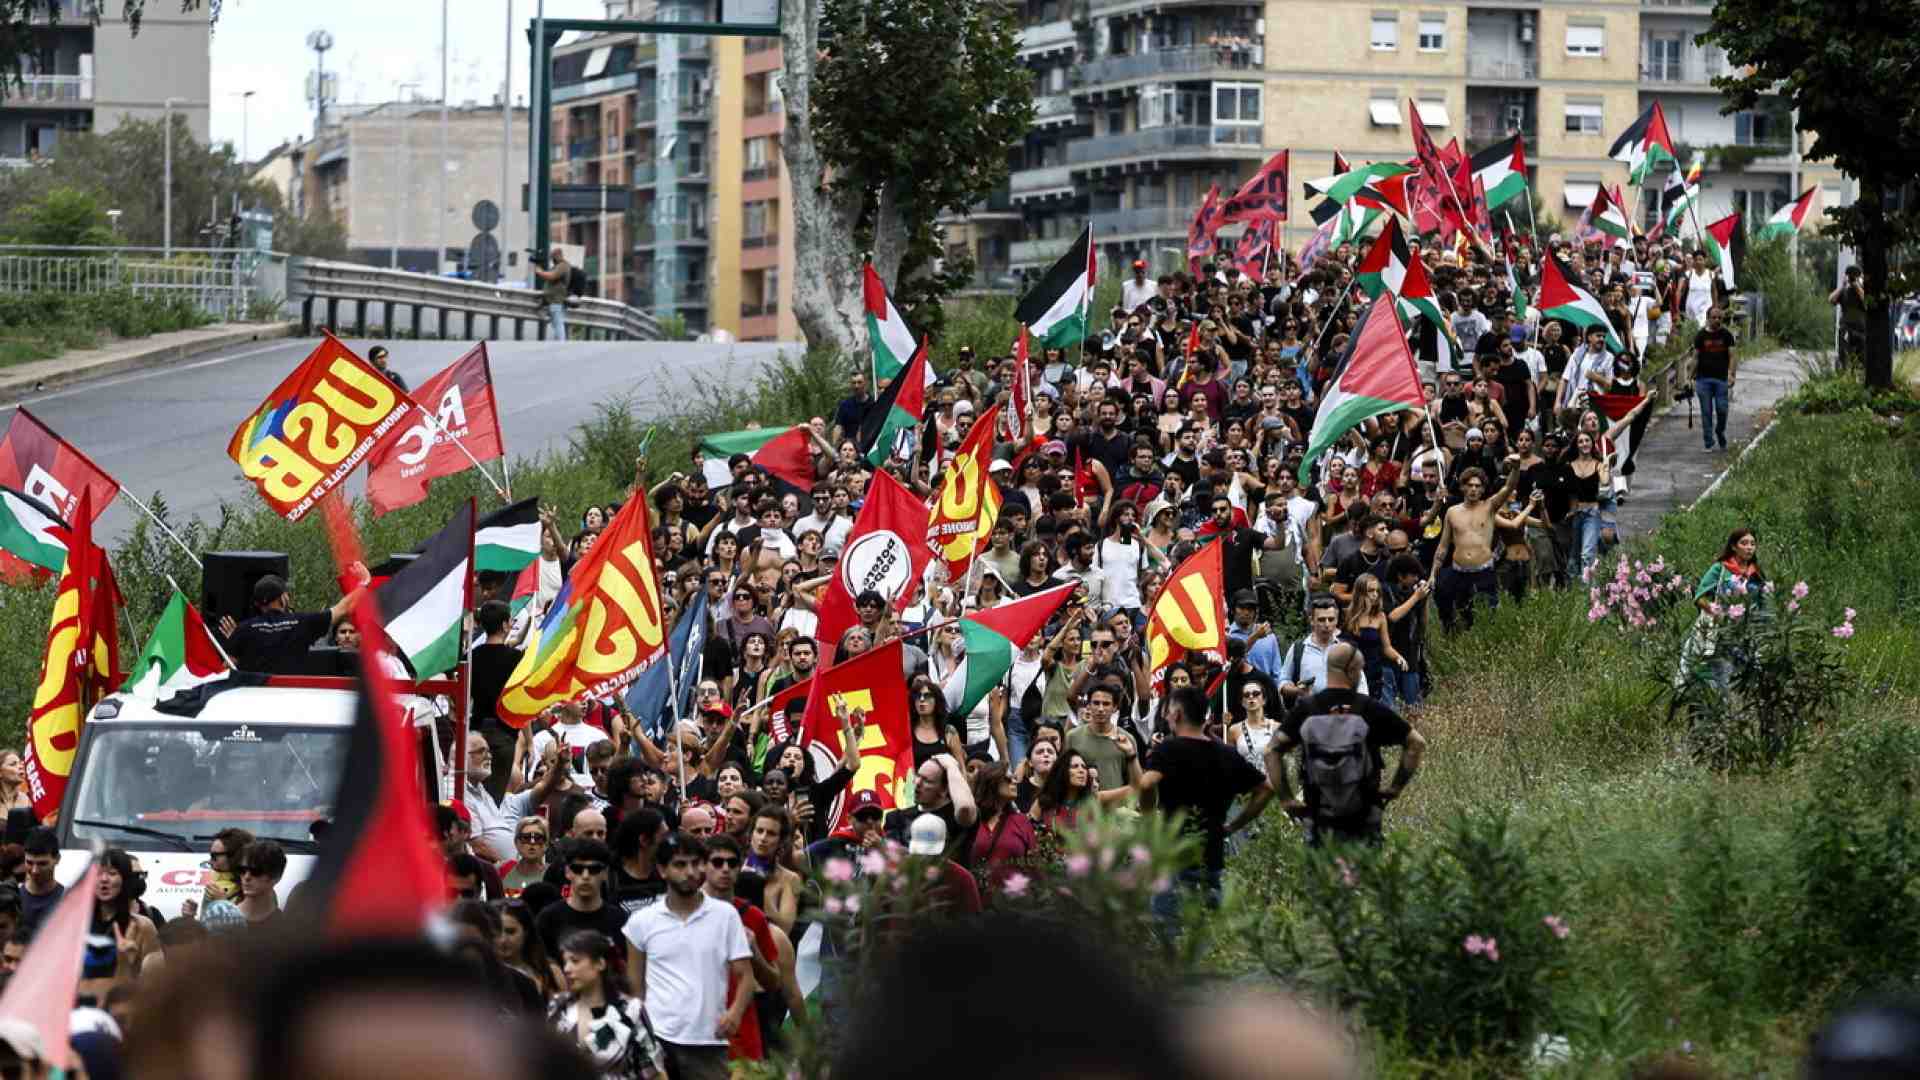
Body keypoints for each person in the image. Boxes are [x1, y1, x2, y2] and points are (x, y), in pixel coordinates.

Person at [1136, 687, 1272, 929]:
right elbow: (1266, 789)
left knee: (1169, 934)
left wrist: (1149, 817)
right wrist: (1235, 824)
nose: (1166, 717)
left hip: (1173, 855)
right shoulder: (1226, 753)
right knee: (1208, 933)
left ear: (1176, 715)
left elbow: (1146, 783)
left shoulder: (1169, 749)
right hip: (1213, 856)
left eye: (1168, 713)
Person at [1266, 642, 1427, 846]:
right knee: (1364, 875)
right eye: (1360, 670)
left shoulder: (1307, 708)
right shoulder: (1370, 708)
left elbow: (1271, 751)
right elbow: (1416, 743)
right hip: (1364, 819)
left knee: (1322, 876)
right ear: (1351, 670)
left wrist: (1287, 798)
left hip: (1319, 818)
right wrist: (1395, 787)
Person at [624, 831, 754, 1080]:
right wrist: (639, 1039)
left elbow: (745, 975)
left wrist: (735, 1012)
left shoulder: (725, 916)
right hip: (657, 1040)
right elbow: (635, 989)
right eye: (680, 865)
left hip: (709, 1039)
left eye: (696, 863)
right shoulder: (641, 922)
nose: (691, 871)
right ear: (662, 870)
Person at [549, 928, 667, 1078]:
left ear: (600, 964)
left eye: (575, 961)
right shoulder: (558, 1007)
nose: (566, 969)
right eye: (565, 962)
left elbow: (653, 1071)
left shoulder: (630, 1010)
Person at [1431, 462, 1520, 631]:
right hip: (1458, 572)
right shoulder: (1452, 512)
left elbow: (1509, 487)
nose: (1473, 489)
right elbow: (1442, 547)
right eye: (1469, 485)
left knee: (1488, 617)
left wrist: (1516, 468)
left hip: (1483, 571)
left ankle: (1486, 646)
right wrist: (1432, 574)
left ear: (1483, 489)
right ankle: (1452, 635)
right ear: (1463, 487)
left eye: (1477, 486)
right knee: (1452, 608)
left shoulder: (1489, 507)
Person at [218, 574, 364, 674]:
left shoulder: (243, 630)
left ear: (257, 603)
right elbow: (343, 607)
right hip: (293, 697)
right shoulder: (303, 622)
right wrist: (364, 582)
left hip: (257, 699)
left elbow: (226, 669)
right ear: (282, 598)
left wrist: (236, 640)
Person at [536, 838, 630, 964]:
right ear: (567, 872)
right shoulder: (548, 919)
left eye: (594, 869)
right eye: (578, 869)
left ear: (605, 873)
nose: (585, 876)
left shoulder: (619, 920)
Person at [1691, 305, 1738, 453]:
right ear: (1708, 318)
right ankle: (1708, 441)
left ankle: (1720, 431)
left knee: (1722, 409)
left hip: (1721, 379)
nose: (1717, 320)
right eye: (1714, 317)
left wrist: (1731, 374)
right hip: (1703, 379)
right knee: (1706, 412)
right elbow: (1695, 357)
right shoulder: (1700, 336)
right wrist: (1690, 377)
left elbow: (1732, 356)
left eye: (1719, 318)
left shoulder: (1726, 335)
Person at [18, 827, 61, 937]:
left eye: (42, 864)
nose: (35, 870)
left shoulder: (68, 900)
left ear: (57, 859)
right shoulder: (13, 898)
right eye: (29, 863)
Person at [1829, 265, 1868, 369]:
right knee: (1844, 354)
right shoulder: (1844, 291)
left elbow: (1867, 301)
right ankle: (1843, 373)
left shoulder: (1863, 290)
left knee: (1863, 357)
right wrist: (1842, 286)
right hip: (1846, 328)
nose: (1852, 279)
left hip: (1860, 329)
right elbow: (1831, 299)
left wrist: (1857, 285)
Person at [534, 247, 572, 339]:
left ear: (558, 255)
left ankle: (561, 343)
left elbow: (552, 276)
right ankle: (558, 343)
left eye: (553, 257)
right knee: (556, 324)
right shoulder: (557, 266)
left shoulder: (563, 266)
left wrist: (540, 272)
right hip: (552, 301)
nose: (552, 259)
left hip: (557, 300)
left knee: (558, 323)